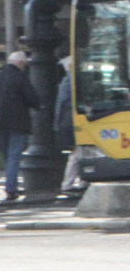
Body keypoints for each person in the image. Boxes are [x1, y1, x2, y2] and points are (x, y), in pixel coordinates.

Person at [0, 50, 41, 202]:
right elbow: (32, 98)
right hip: (17, 122)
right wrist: (39, 105)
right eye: (25, 65)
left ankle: (11, 183)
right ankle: (11, 187)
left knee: (7, 156)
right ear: (21, 63)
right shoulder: (20, 77)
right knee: (15, 156)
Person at [55, 56, 86, 197]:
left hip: (68, 122)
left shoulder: (66, 81)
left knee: (80, 151)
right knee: (77, 152)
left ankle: (79, 181)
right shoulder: (72, 81)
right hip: (73, 122)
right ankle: (71, 182)